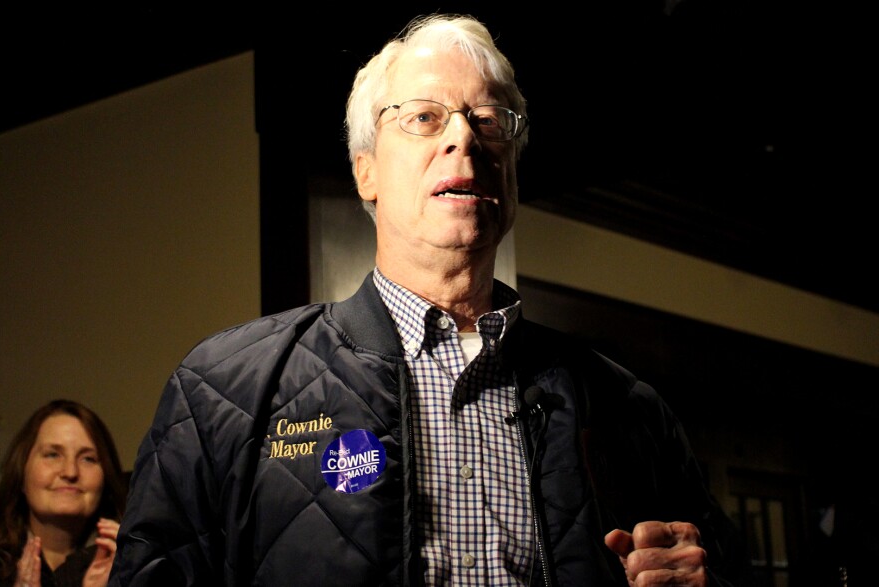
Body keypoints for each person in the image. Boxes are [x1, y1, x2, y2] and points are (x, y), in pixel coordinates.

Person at [109, 13, 748, 586]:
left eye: (489, 120)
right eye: (423, 117)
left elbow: (715, 565)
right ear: (366, 170)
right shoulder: (222, 389)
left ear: (512, 170)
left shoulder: (628, 408)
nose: (463, 139)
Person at [0, 399, 127, 587]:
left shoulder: (135, 564)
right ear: (21, 472)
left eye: (88, 459)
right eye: (53, 455)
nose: (70, 472)